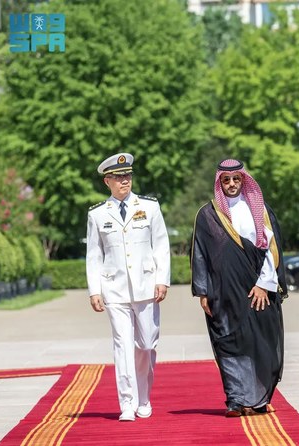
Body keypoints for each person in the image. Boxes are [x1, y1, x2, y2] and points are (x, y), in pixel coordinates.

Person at [190, 159, 287, 417]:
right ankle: (235, 399)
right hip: (223, 292)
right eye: (226, 180)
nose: (232, 184)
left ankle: (258, 399)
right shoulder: (208, 214)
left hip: (258, 291)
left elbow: (271, 252)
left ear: (244, 180)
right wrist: (202, 292)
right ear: (219, 183)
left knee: (261, 343)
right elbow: (200, 254)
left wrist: (263, 286)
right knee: (228, 343)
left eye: (236, 179)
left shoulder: (260, 210)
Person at [85, 153, 171, 422]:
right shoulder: (98, 214)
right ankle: (127, 403)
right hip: (115, 289)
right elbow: (93, 255)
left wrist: (162, 279)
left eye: (128, 176)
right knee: (122, 345)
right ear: (107, 181)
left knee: (146, 344)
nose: (125, 181)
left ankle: (144, 397)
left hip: (146, 286)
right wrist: (94, 290)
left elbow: (161, 245)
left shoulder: (150, 207)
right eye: (119, 177)